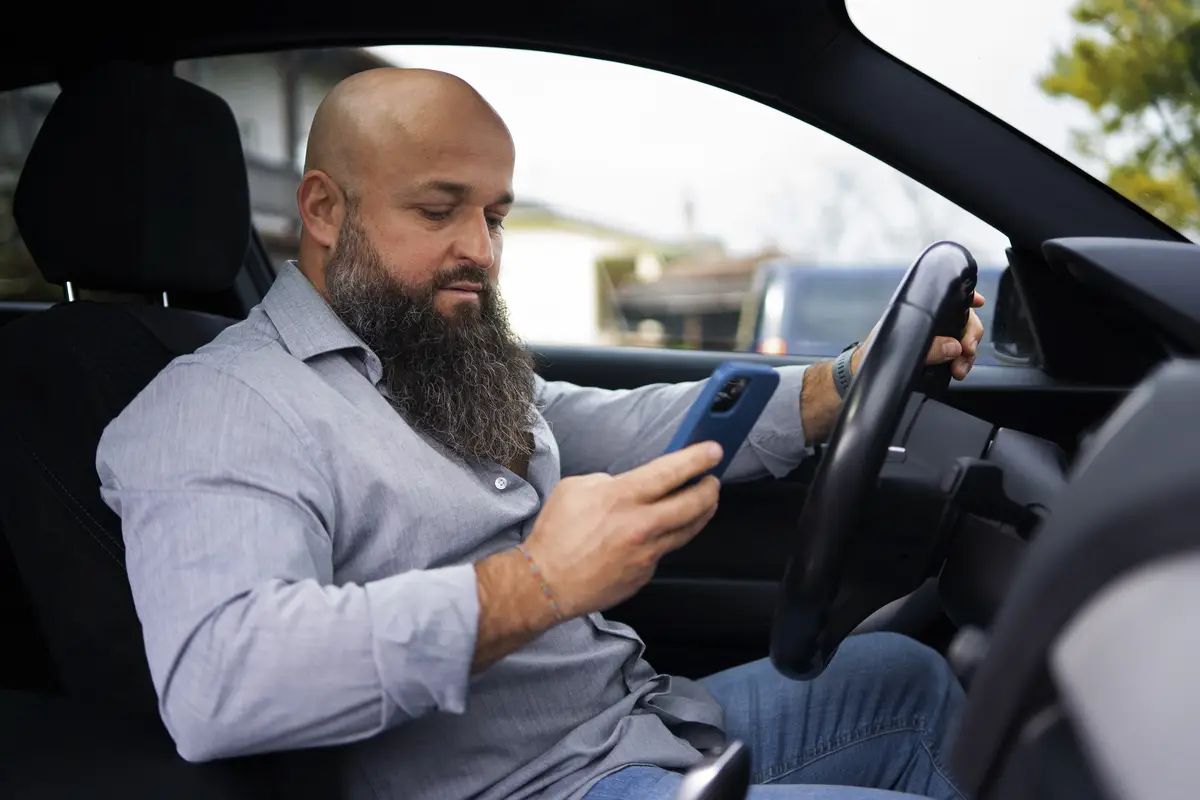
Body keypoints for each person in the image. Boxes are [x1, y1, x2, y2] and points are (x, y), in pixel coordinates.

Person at [96, 68, 984, 800]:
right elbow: (223, 681)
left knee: (904, 681)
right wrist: (535, 584)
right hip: (533, 789)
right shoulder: (219, 404)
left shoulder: (425, 355)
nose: (481, 250)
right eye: (440, 210)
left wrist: (837, 384)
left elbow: (601, 425)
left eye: (495, 216)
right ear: (325, 212)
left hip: (629, 731)